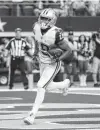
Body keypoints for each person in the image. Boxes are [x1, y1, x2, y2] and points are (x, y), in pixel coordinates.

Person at [24, 8, 72, 125]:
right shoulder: (36, 27)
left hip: (53, 63)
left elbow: (68, 50)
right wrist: (35, 55)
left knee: (40, 86)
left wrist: (58, 59)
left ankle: (32, 114)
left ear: (52, 20)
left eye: (47, 19)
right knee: (47, 86)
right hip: (42, 61)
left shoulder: (56, 32)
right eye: (42, 18)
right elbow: (37, 41)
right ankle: (64, 84)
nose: (43, 20)